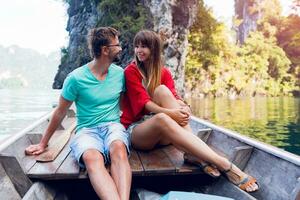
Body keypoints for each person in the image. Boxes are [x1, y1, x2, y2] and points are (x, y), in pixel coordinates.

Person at [121, 30, 259, 193]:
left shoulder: (163, 72)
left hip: (163, 133)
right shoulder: (131, 71)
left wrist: (184, 107)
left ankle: (192, 155)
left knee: (162, 91)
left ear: (154, 49)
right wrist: (171, 114)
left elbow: (173, 95)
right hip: (138, 133)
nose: (139, 50)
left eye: (144, 46)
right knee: (163, 119)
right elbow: (144, 104)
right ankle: (225, 165)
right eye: (136, 46)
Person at [25, 27, 131, 200]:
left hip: (113, 126)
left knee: (118, 148)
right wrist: (43, 143)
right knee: (91, 157)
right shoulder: (75, 78)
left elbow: (126, 106)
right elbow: (60, 112)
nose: (120, 48)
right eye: (117, 45)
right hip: (86, 130)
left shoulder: (119, 74)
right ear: (105, 50)